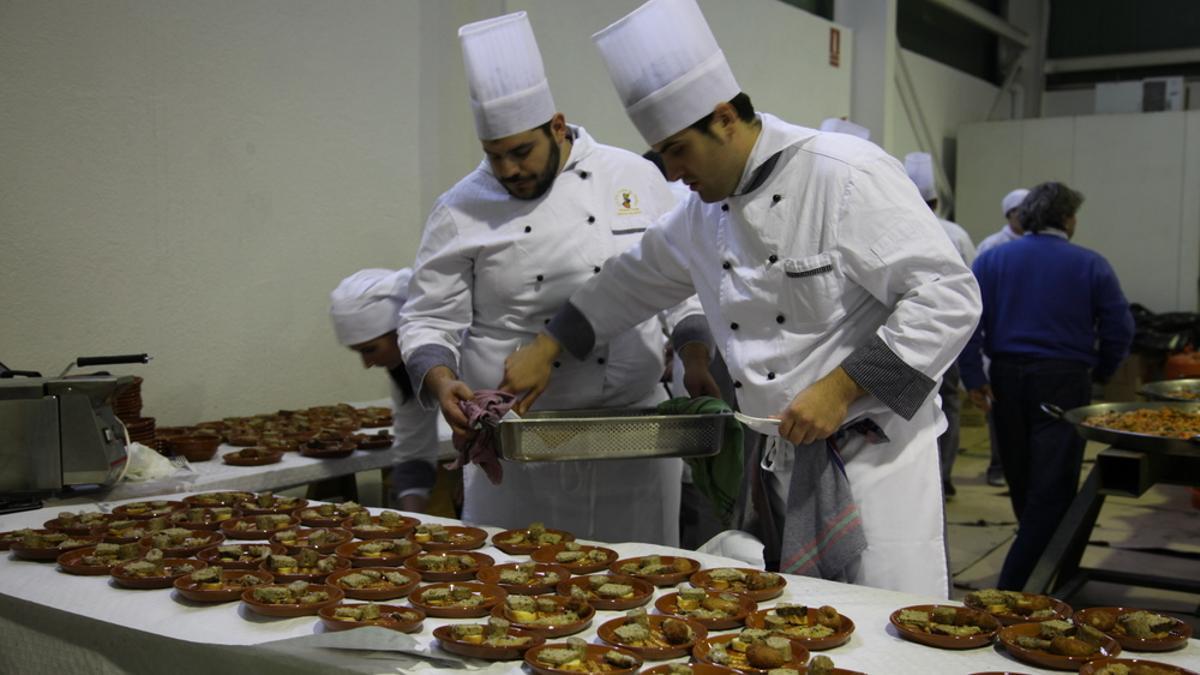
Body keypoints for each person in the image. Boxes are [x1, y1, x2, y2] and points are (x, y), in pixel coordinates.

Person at [501, 0, 981, 597]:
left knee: (881, 616)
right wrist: (547, 346)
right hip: (778, 459)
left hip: (870, 460)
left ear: (725, 118)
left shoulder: (844, 174)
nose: (670, 173)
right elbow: (627, 283)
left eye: (679, 150)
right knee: (800, 621)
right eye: (662, 154)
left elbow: (948, 297)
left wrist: (841, 388)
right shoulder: (699, 217)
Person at [398, 11, 699, 545]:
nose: (509, 170)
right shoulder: (459, 208)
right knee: (513, 581)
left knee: (643, 577)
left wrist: (695, 353)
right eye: (494, 157)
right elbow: (427, 317)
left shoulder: (633, 177)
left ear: (557, 126)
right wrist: (441, 382)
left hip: (631, 438)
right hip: (518, 446)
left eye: (521, 152)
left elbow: (679, 285)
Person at [958, 181, 1134, 590]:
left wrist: (974, 376)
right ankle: (1017, 585)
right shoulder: (1090, 264)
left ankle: (1041, 564)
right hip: (1063, 381)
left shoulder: (993, 261)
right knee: (1053, 486)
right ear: (1069, 219)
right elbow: (1119, 327)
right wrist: (1103, 372)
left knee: (1021, 476)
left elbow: (966, 321)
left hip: (1005, 378)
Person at [329, 268, 439, 512]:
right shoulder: (407, 373)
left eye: (370, 350)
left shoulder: (467, 354)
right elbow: (414, 450)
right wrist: (411, 516)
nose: (367, 364)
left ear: (402, 330)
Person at [904, 152, 976, 498]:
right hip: (942, 338)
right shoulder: (955, 234)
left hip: (903, 337)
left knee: (906, 407)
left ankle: (923, 479)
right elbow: (970, 291)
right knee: (944, 403)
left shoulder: (895, 226)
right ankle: (940, 477)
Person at [975, 187, 1029, 487]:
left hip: (1026, 341)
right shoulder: (992, 247)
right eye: (1021, 211)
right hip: (998, 343)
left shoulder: (1037, 245)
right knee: (1000, 412)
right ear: (1010, 214)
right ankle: (998, 466)